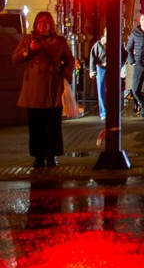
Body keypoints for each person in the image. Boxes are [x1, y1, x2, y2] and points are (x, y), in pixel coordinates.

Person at [12, 10, 75, 168]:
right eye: (39, 22)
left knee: (52, 125)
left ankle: (51, 155)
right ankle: (38, 156)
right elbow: (15, 58)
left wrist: (65, 73)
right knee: (36, 125)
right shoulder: (28, 39)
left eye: (45, 22)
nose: (42, 25)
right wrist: (28, 50)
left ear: (50, 24)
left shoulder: (59, 41)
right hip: (34, 88)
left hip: (53, 88)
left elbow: (69, 60)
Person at [88, 30, 109, 120]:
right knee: (101, 90)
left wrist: (121, 65)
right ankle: (103, 112)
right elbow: (92, 57)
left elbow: (124, 54)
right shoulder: (98, 44)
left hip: (113, 68)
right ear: (104, 33)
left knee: (112, 90)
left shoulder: (116, 43)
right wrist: (92, 71)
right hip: (101, 68)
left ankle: (112, 111)